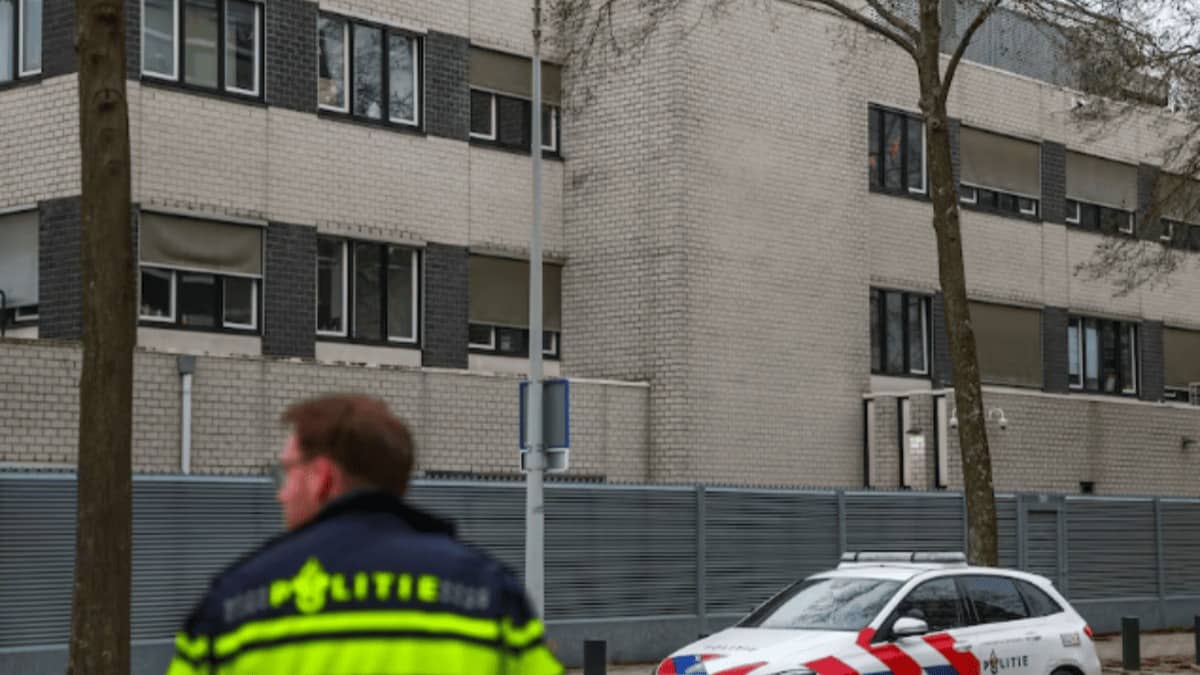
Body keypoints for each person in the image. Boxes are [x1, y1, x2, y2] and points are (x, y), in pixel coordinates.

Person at [166, 394, 563, 675]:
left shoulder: (235, 604)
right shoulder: (487, 594)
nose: (280, 493)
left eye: (286, 472)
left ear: (322, 478)